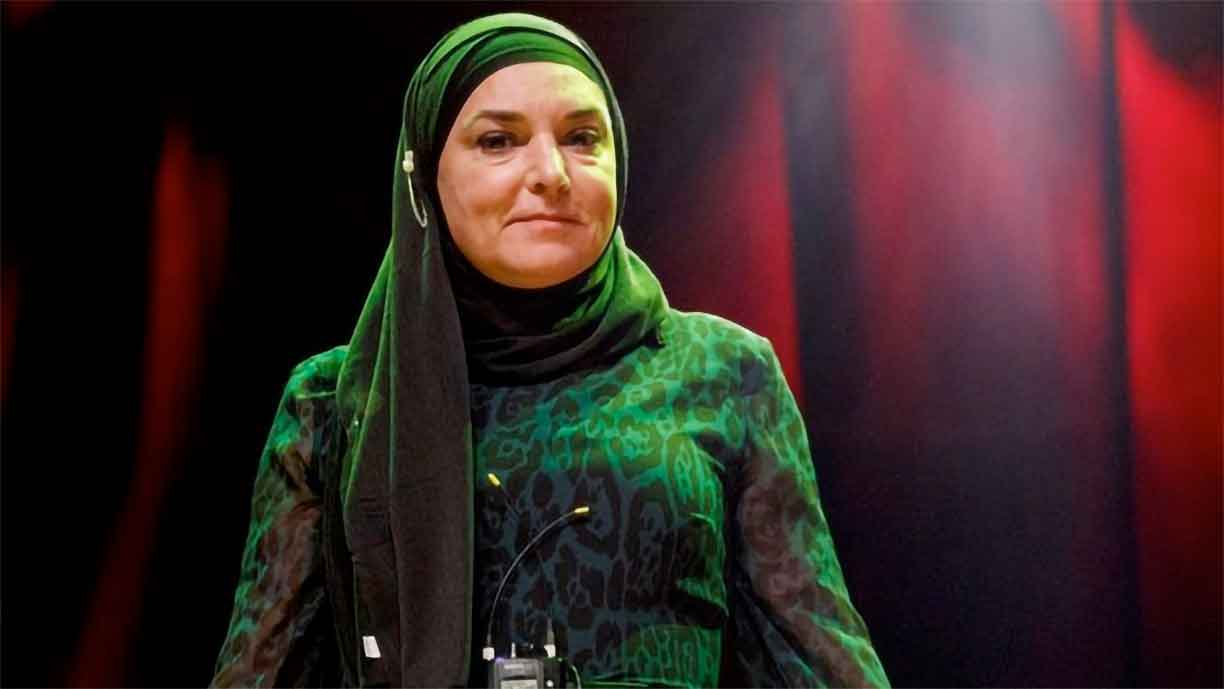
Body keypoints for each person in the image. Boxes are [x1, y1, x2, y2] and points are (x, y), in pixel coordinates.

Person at [210, 12, 888, 689]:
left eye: (582, 138)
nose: (551, 173)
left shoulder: (723, 371)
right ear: (423, 173)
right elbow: (263, 671)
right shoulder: (336, 403)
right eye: (499, 141)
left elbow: (815, 654)